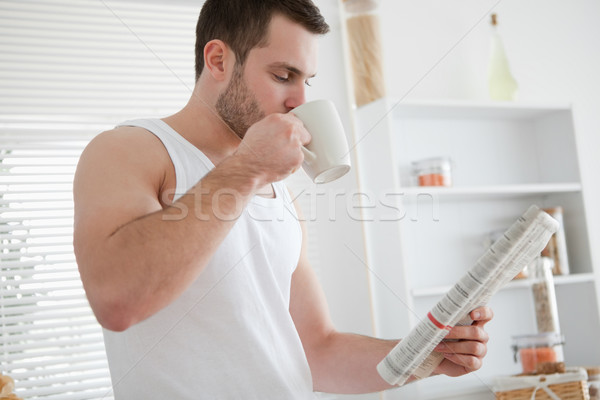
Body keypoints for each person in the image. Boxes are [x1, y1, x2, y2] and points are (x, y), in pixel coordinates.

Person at [73, 0, 493, 398]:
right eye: (282, 76)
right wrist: (247, 169)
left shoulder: (278, 191)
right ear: (218, 60)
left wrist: (427, 354)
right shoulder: (129, 150)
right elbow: (116, 301)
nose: (299, 101)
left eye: (306, 80)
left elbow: (318, 350)